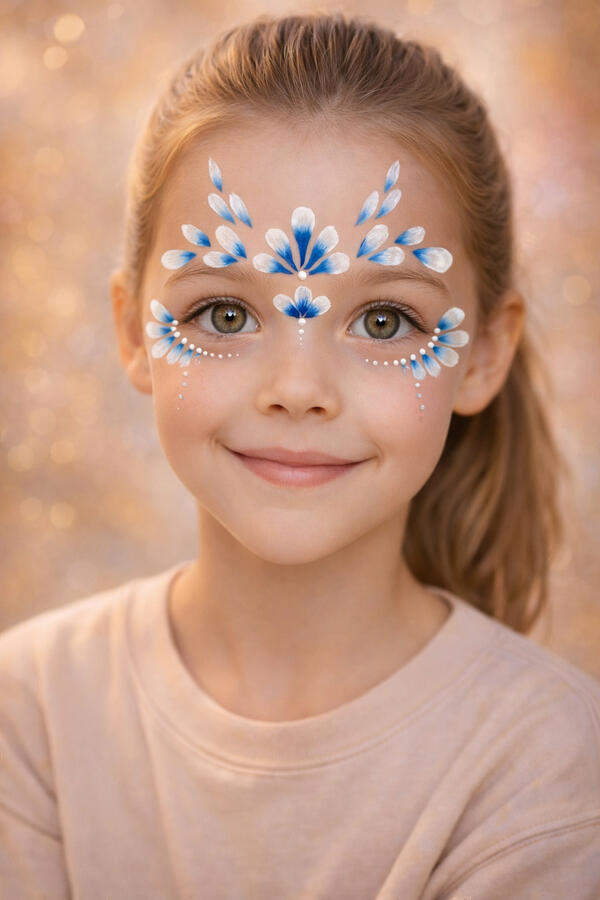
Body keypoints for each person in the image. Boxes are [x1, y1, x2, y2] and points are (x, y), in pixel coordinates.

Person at [1, 12, 599, 900]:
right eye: (226, 314)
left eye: (386, 320)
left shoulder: (551, 767)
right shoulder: (30, 714)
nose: (298, 388)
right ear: (134, 332)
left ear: (483, 353)